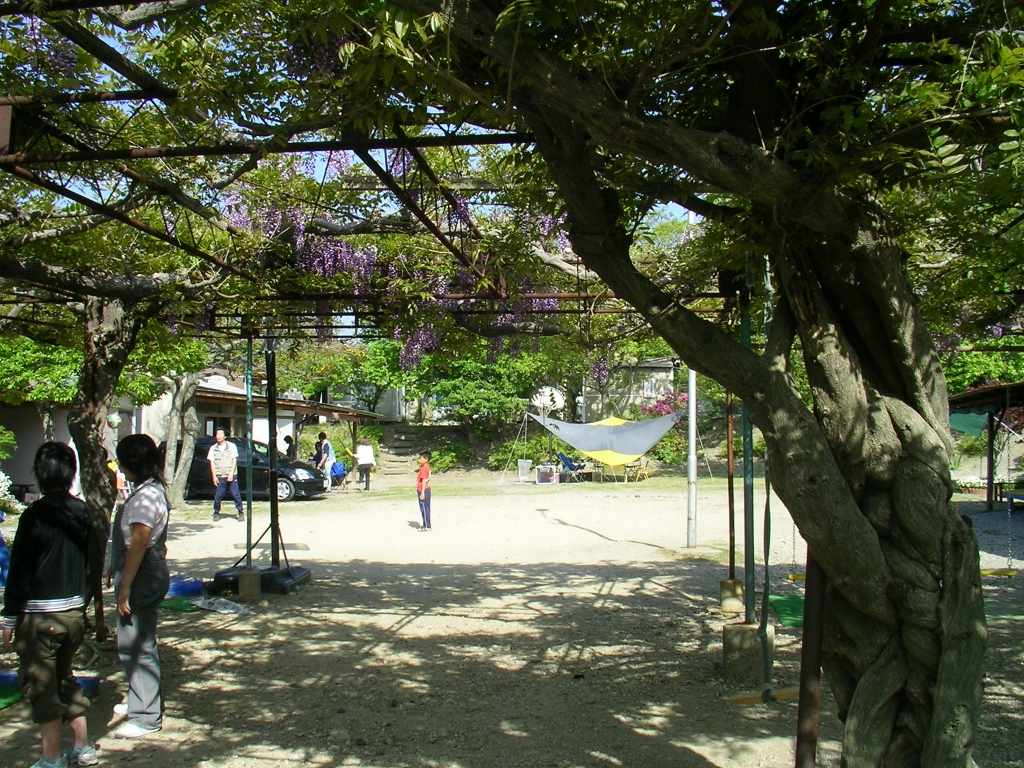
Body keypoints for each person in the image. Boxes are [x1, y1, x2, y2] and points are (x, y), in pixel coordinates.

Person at [2, 442, 99, 768]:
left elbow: (20, 572)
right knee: (64, 678)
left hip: (41, 618)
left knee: (41, 687)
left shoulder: (35, 516)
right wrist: (86, 606)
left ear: (41, 474)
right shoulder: (82, 511)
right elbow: (92, 564)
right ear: (71, 473)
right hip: (73, 614)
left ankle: (51, 757)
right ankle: (83, 749)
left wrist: (9, 619)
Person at [108, 434, 170, 740]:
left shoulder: (145, 496)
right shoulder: (149, 490)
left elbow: (140, 541)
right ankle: (137, 699)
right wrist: (113, 565)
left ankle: (145, 716)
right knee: (132, 640)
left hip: (142, 574)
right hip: (143, 570)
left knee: (137, 644)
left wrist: (125, 587)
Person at [207, 427, 243, 521]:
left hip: (231, 475)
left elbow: (234, 459)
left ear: (225, 436)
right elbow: (212, 462)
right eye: (217, 434)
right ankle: (216, 513)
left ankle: (240, 512)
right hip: (220, 476)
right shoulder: (213, 448)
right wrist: (214, 476)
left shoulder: (231, 446)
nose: (218, 436)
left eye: (220, 434)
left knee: (236, 494)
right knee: (218, 495)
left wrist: (231, 474)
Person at [416, 450, 432, 532]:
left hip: (424, 489)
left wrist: (422, 493)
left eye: (421, 458)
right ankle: (426, 524)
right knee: (425, 508)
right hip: (424, 489)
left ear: (426, 459)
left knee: (424, 508)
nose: (419, 459)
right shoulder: (426, 467)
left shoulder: (424, 468)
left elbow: (424, 480)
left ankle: (427, 526)